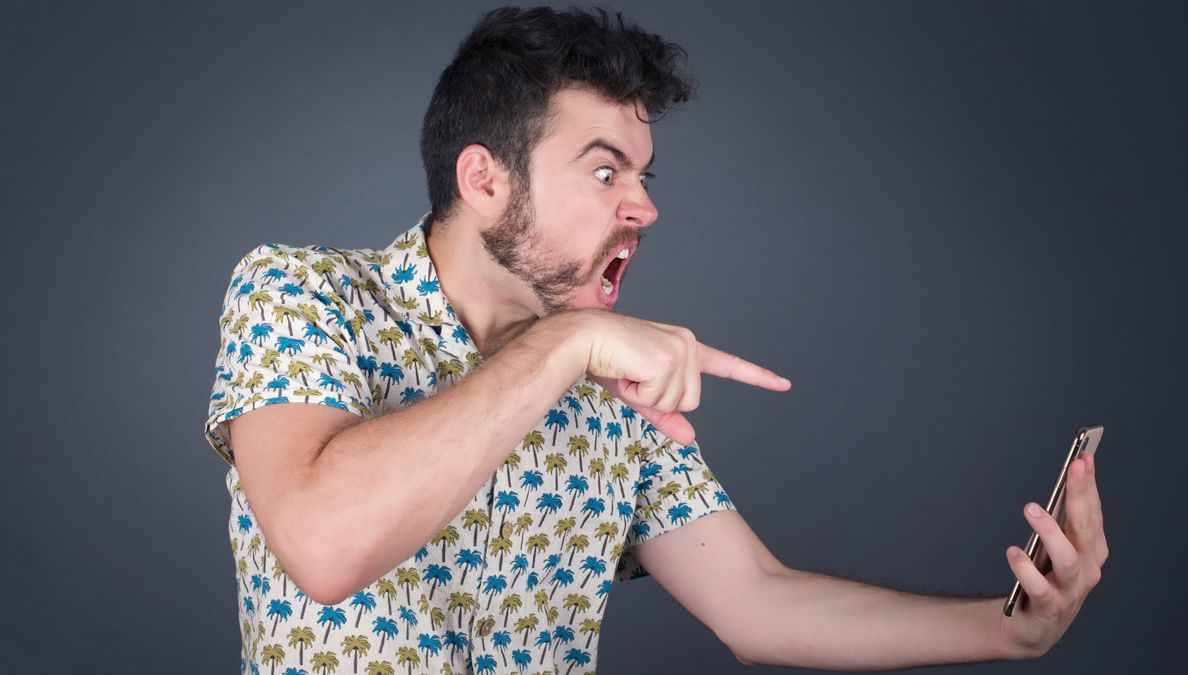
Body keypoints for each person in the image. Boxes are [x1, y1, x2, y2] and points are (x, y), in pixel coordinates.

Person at [204, 7, 1108, 674]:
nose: (644, 206)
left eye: (640, 173)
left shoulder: (612, 380)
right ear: (482, 178)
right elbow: (323, 545)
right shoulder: (301, 292)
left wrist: (1004, 627)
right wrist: (562, 350)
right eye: (604, 170)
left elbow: (757, 600)